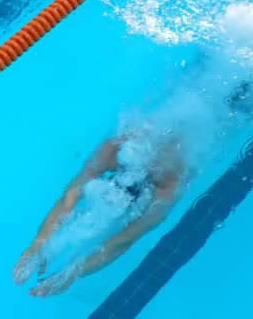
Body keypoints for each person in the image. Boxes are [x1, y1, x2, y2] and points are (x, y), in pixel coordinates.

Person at [12, 127, 189, 297]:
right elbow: (70, 197)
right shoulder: (118, 146)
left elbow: (123, 240)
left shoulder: (170, 183)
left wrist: (73, 273)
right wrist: (37, 245)